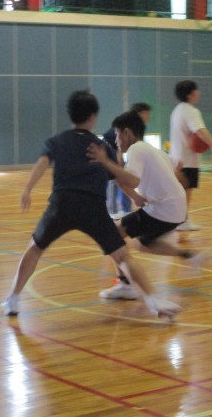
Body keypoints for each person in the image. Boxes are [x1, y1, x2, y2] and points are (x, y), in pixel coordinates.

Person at [0, 90, 181, 320]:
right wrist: (134, 196)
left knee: (35, 248)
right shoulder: (101, 147)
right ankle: (154, 301)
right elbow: (120, 178)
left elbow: (43, 162)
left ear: (70, 114)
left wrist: (27, 189)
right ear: (93, 116)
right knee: (123, 256)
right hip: (93, 209)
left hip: (62, 205)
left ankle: (13, 299)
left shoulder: (57, 141)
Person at [87, 111, 200, 300]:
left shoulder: (136, 149)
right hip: (175, 209)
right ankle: (188, 255)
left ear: (127, 133)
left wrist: (105, 161)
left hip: (164, 208)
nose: (116, 140)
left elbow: (131, 180)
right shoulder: (151, 149)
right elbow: (177, 164)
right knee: (143, 244)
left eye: (117, 134)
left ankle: (126, 285)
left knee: (114, 233)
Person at [169, 80, 212, 231]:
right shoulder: (191, 111)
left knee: (181, 192)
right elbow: (199, 130)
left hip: (176, 158)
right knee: (186, 191)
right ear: (191, 94)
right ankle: (181, 221)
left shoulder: (177, 110)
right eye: (197, 90)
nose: (199, 92)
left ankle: (179, 220)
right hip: (187, 160)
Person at [103, 102, 152, 219]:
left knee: (124, 178)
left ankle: (125, 209)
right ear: (140, 113)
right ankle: (112, 211)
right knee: (115, 179)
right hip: (110, 149)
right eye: (146, 113)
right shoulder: (126, 125)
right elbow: (117, 143)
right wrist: (118, 159)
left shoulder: (137, 130)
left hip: (118, 150)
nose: (148, 116)